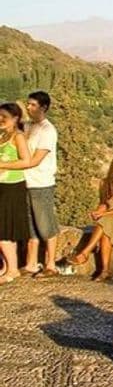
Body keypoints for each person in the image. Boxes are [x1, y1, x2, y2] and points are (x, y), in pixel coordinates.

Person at [0, 92, 59, 278]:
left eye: (33, 105)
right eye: (28, 104)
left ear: (43, 107)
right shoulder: (29, 126)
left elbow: (34, 160)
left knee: (45, 224)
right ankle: (31, 263)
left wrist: (2, 164)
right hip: (25, 181)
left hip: (41, 182)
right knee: (31, 225)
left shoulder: (47, 131)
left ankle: (51, 264)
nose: (29, 108)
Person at [67, 151, 113, 282]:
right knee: (105, 231)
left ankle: (85, 253)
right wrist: (98, 212)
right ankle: (105, 271)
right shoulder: (105, 183)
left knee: (106, 222)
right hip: (110, 218)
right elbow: (104, 203)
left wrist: (104, 214)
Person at [0, 102, 32, 284]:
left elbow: (26, 161)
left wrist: (2, 165)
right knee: (5, 230)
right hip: (2, 186)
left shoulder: (18, 137)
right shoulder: (3, 136)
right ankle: (7, 266)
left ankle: (13, 269)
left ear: (15, 118)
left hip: (13, 187)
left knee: (5, 231)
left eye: (5, 117)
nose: (1, 120)